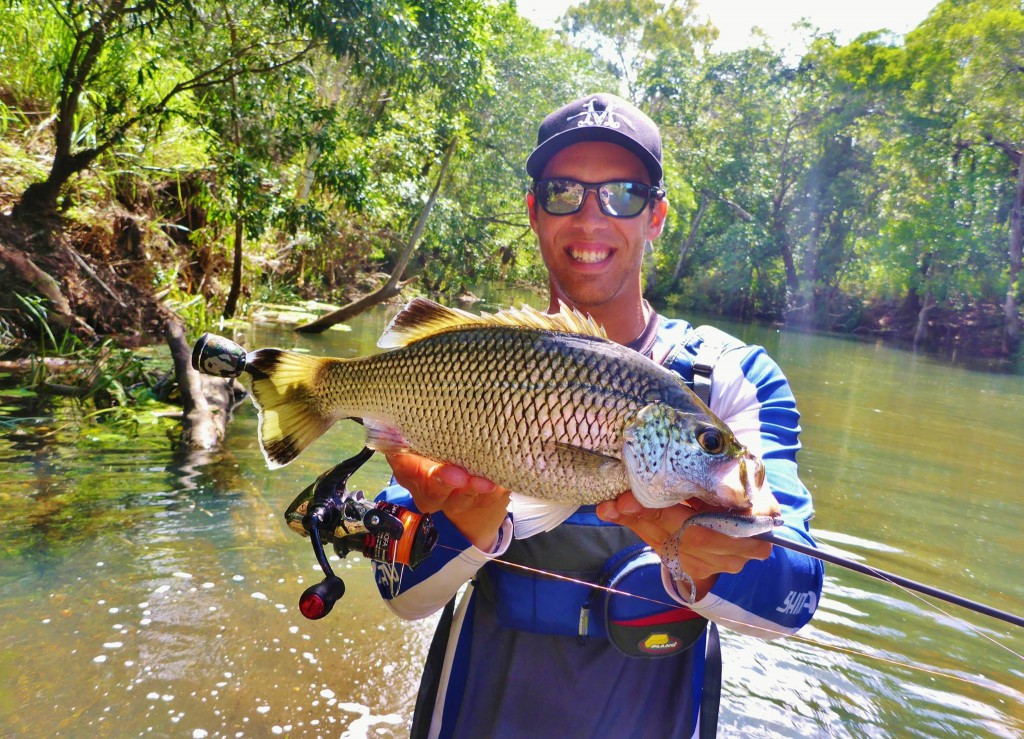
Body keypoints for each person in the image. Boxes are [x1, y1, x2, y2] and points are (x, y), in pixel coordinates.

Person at [372, 92, 823, 738]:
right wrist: (464, 525)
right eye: (563, 192)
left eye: (623, 194)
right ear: (534, 212)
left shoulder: (732, 379)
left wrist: (722, 556)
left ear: (656, 216)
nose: (590, 217)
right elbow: (398, 589)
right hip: (481, 704)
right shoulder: (471, 363)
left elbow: (795, 596)